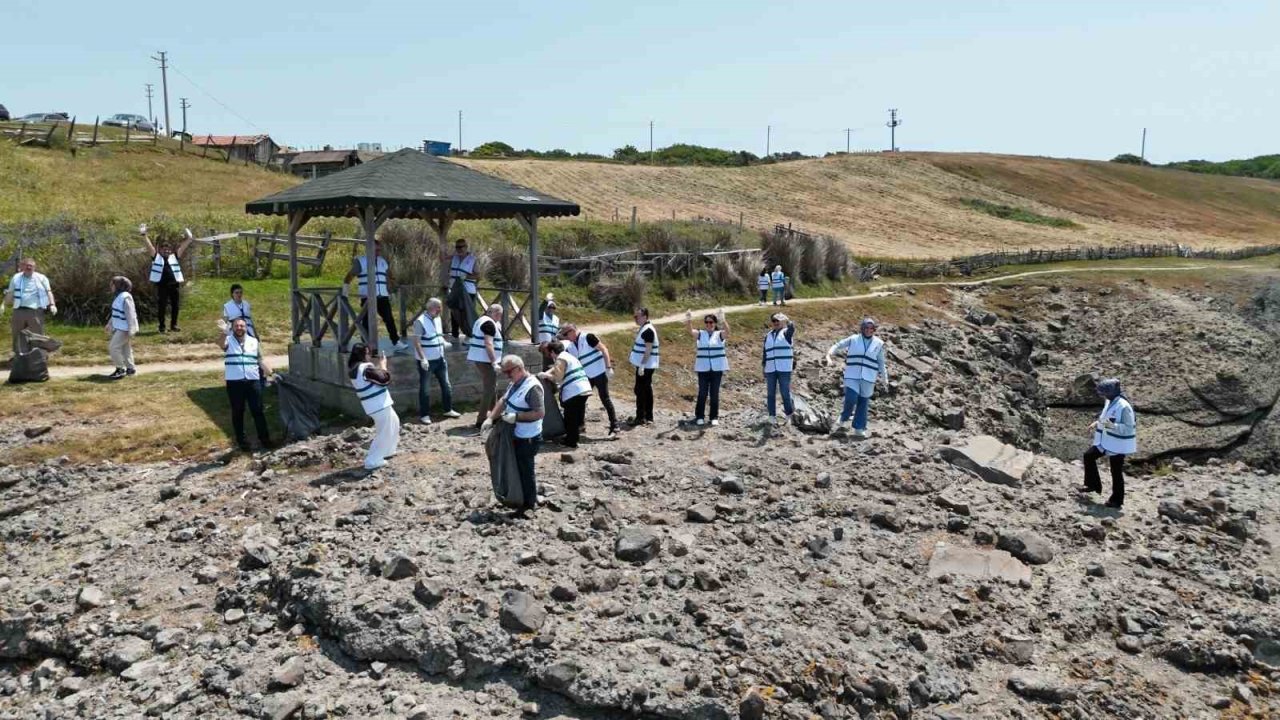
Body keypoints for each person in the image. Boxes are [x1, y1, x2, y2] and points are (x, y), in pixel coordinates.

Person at [481, 354, 544, 518]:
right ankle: (520, 497)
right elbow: (503, 400)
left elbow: (539, 413)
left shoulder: (533, 388)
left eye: (509, 372)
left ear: (520, 368)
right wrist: (490, 418)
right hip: (516, 434)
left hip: (528, 437)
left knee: (526, 470)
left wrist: (517, 417)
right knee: (517, 467)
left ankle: (528, 504)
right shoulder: (515, 383)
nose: (507, 376)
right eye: (505, 373)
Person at [217, 317, 275, 452]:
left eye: (242, 326)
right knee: (238, 412)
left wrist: (272, 373)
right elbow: (220, 344)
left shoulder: (254, 341)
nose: (239, 328)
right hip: (235, 382)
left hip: (253, 381)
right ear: (233, 328)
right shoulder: (228, 340)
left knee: (258, 411)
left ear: (246, 327)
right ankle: (242, 442)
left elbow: (260, 360)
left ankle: (265, 439)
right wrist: (224, 332)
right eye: (236, 326)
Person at [825, 317, 889, 438]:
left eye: (871, 328)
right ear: (862, 328)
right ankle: (844, 417)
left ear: (874, 329)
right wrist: (829, 355)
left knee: (863, 402)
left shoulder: (878, 343)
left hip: (868, 377)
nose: (869, 330)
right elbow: (838, 345)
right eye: (866, 328)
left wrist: (885, 378)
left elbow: (881, 363)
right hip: (852, 375)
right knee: (851, 398)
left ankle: (859, 428)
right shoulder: (854, 339)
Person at [1081, 378, 1137, 509]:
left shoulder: (1124, 407)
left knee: (1116, 471)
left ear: (1111, 392)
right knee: (1088, 456)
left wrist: (1107, 424)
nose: (1103, 395)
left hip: (1118, 444)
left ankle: (1117, 500)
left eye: (1105, 392)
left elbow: (1128, 428)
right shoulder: (1109, 401)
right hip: (1105, 441)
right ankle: (1093, 485)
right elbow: (1106, 417)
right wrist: (1097, 422)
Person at [344, 240, 407, 352]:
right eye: (376, 250)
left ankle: (396, 341)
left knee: (389, 319)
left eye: (379, 250)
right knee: (366, 321)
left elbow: (389, 276)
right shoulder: (361, 261)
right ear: (369, 249)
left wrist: (392, 291)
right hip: (368, 297)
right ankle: (366, 344)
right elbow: (350, 275)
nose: (378, 252)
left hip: (383, 296)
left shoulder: (382, 261)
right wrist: (346, 288)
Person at [558, 323, 619, 436]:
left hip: (599, 372)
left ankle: (614, 425)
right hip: (587, 376)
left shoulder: (588, 337)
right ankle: (581, 425)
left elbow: (604, 349)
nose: (565, 337)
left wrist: (608, 367)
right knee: (581, 400)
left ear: (572, 331)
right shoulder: (570, 347)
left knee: (605, 398)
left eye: (566, 334)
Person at [347, 343, 400, 470]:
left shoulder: (355, 368)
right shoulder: (365, 368)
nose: (369, 356)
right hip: (379, 404)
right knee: (384, 432)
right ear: (363, 354)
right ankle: (372, 460)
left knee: (394, 422)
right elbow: (384, 379)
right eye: (368, 353)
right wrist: (383, 365)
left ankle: (387, 451)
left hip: (374, 405)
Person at [412, 297, 462, 424]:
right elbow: (417, 342)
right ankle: (424, 414)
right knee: (425, 388)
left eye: (440, 307)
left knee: (446, 385)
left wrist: (443, 343)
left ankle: (448, 409)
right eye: (438, 307)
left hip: (440, 358)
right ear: (431, 308)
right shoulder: (420, 321)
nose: (440, 309)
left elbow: (438, 335)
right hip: (427, 361)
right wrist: (423, 359)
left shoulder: (438, 319)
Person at [538, 340, 593, 448]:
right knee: (575, 416)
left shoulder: (560, 359)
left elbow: (558, 378)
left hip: (574, 391)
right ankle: (573, 438)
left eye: (550, 353)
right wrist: (548, 372)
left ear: (553, 351)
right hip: (584, 388)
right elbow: (557, 369)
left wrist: (546, 376)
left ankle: (571, 441)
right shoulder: (568, 356)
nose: (550, 355)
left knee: (570, 417)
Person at [141, 223, 194, 333]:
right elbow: (149, 246)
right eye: (164, 249)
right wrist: (144, 235)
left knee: (175, 306)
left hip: (174, 285)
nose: (167, 251)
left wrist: (189, 237)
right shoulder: (156, 257)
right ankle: (162, 327)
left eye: (168, 249)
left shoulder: (174, 256)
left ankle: (174, 325)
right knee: (162, 306)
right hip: (162, 286)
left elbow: (184, 246)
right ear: (160, 250)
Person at [3, 257, 57, 356]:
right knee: (17, 333)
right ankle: (19, 355)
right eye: (26, 265)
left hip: (35, 311)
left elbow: (49, 292)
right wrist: (3, 305)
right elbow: (10, 293)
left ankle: (39, 355)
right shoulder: (16, 277)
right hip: (19, 310)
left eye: (31, 266)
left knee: (37, 334)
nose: (29, 267)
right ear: (22, 266)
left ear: (34, 267)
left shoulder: (41, 278)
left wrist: (52, 304)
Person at [685, 308, 728, 426]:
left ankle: (714, 417)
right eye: (707, 322)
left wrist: (723, 320)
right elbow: (690, 330)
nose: (709, 324)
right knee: (702, 393)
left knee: (714, 393)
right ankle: (699, 416)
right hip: (703, 369)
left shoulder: (719, 335)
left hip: (716, 369)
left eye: (711, 322)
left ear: (715, 323)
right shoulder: (701, 334)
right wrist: (689, 319)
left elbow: (728, 332)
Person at [467, 304, 505, 429]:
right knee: (489, 389)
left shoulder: (482, 320)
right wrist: (494, 362)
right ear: (497, 313)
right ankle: (481, 419)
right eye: (500, 315)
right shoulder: (489, 323)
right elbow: (488, 343)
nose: (500, 318)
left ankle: (494, 415)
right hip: (485, 360)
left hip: (482, 359)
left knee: (492, 387)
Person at [763, 312, 796, 425]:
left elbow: (792, 328)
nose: (776, 323)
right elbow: (765, 353)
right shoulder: (768, 336)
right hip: (770, 368)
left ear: (782, 321)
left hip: (784, 368)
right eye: (774, 321)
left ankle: (789, 415)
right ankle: (772, 416)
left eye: (778, 320)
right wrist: (764, 367)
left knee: (785, 392)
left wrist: (787, 319)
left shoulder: (786, 333)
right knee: (770, 393)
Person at [628, 307, 660, 426]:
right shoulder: (644, 328)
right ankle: (647, 416)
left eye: (637, 316)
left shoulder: (648, 330)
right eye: (635, 316)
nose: (635, 319)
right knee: (644, 389)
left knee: (641, 390)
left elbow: (648, 349)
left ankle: (641, 416)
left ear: (645, 317)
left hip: (646, 366)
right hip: (644, 365)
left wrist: (642, 365)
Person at [104, 276, 138, 379]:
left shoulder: (125, 297)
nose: (111, 286)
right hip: (120, 327)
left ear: (118, 286)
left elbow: (130, 314)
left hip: (125, 329)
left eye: (113, 284)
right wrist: (109, 324)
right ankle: (130, 369)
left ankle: (120, 369)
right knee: (125, 348)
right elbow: (116, 312)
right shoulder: (119, 296)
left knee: (113, 347)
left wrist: (131, 329)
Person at [446, 238, 478, 341]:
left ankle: (469, 335)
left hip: (468, 290)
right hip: (455, 289)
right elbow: (442, 259)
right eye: (457, 247)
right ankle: (454, 335)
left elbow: (478, 275)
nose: (459, 249)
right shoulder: (453, 258)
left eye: (461, 247)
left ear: (466, 247)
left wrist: (466, 276)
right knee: (454, 312)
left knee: (467, 313)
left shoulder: (472, 259)